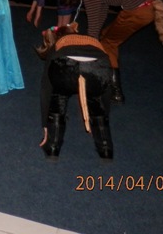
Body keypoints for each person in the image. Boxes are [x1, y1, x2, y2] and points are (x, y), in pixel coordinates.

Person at [59, 0, 163, 104]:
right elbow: (102, 11)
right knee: (105, 35)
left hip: (138, 11)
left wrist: (88, 50)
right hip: (148, 6)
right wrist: (95, 37)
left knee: (108, 44)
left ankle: (116, 92)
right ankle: (109, 69)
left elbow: (93, 25)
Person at [35, 23, 113, 160]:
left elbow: (46, 88)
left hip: (66, 68)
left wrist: (45, 125)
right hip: (98, 67)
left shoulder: (57, 45)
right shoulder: (92, 40)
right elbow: (107, 87)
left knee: (58, 96)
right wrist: (104, 113)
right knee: (96, 99)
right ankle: (106, 148)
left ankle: (53, 146)